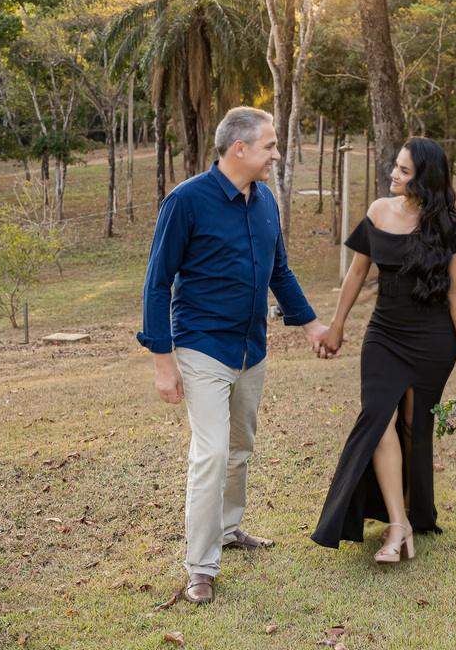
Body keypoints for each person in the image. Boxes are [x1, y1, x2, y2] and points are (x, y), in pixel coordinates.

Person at [137, 107, 331, 606]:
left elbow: (279, 271)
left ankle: (228, 529)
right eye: (269, 145)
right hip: (202, 346)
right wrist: (163, 360)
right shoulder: (186, 201)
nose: (276, 154)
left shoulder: (265, 199)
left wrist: (311, 326)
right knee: (213, 453)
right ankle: (200, 567)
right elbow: (157, 284)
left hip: (252, 348)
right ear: (238, 148)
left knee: (241, 446)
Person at [310, 137, 456, 563]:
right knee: (379, 417)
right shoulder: (378, 211)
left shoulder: (449, 224)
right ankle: (398, 526)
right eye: (396, 167)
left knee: (412, 427)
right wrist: (337, 324)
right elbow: (356, 274)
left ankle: (410, 515)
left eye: (404, 170)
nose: (394, 175)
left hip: (433, 337)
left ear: (426, 176)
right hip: (383, 334)